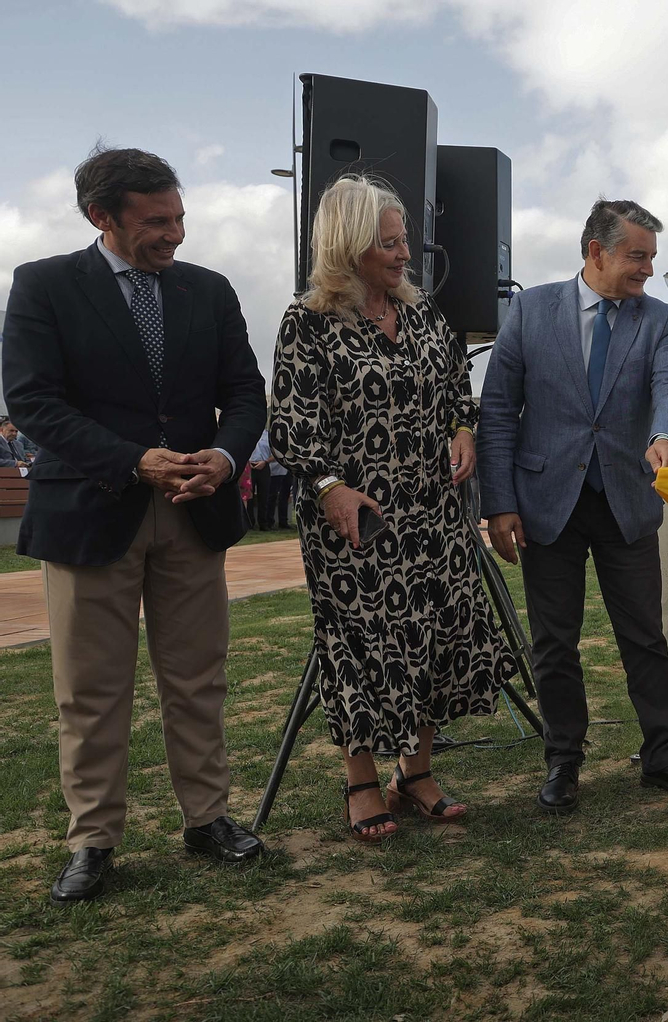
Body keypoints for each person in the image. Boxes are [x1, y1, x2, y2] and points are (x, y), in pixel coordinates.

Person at [1, 146, 268, 903]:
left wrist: (223, 453)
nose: (174, 234)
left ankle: (208, 818)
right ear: (101, 217)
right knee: (90, 689)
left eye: (179, 217)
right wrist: (132, 460)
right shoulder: (44, 285)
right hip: (90, 513)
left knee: (198, 678)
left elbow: (246, 393)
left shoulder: (210, 291)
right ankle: (93, 840)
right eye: (155, 222)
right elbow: (33, 403)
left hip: (194, 513)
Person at [269, 175, 519, 842]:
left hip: (434, 515)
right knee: (360, 645)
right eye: (388, 243)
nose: (404, 253)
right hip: (357, 523)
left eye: (404, 239)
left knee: (434, 637)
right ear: (348, 246)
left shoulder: (426, 316)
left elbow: (458, 399)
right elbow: (293, 428)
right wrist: (331, 488)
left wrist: (463, 433)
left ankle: (415, 773)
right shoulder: (309, 323)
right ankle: (360, 781)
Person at [478, 198, 668, 815]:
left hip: (625, 503)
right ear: (596, 252)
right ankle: (563, 762)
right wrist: (498, 503)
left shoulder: (657, 320)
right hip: (546, 503)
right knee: (555, 642)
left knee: (644, 635)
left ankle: (663, 754)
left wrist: (666, 437)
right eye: (637, 257)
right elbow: (497, 411)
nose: (647, 272)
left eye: (652, 259)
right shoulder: (529, 310)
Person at [248, 428, 274, 530]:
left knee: (264, 496)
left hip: (264, 466)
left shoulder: (268, 435)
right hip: (250, 466)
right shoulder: (249, 432)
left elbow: (275, 454)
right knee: (249, 496)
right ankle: (250, 522)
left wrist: (266, 462)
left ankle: (263, 523)